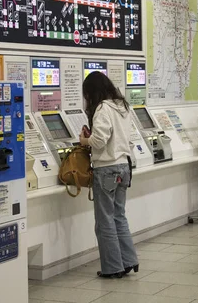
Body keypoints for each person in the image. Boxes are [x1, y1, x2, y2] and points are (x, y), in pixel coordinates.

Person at [79, 71, 139, 278]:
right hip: (124, 166)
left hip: (106, 169)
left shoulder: (103, 108)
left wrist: (84, 141)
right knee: (119, 216)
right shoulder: (122, 106)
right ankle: (129, 260)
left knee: (105, 221)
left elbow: (99, 141)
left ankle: (113, 267)